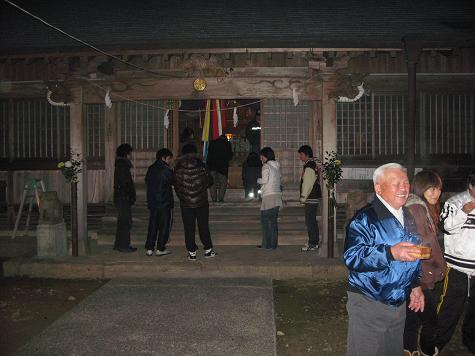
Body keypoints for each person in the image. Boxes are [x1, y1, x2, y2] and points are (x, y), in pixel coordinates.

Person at [343, 163, 425, 356]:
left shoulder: (407, 215)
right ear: (378, 188)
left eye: (405, 182)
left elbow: (410, 254)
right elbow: (352, 257)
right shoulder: (365, 219)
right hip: (369, 301)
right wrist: (389, 253)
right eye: (396, 183)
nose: (403, 188)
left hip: (398, 301)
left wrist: (414, 284)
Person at [403, 170, 446, 356]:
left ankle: (409, 349)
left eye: (438, 189)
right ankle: (428, 350)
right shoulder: (418, 209)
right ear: (421, 188)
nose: (436, 193)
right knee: (431, 321)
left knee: (412, 316)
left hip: (415, 274)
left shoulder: (421, 207)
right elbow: (419, 245)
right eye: (431, 188)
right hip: (419, 275)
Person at [435, 171, 475, 354]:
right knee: (449, 310)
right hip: (457, 268)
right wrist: (464, 211)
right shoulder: (455, 202)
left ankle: (470, 342)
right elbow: (445, 227)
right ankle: (436, 345)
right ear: (470, 186)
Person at [174, 144, 217, 260]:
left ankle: (192, 252)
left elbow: (176, 184)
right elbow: (209, 181)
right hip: (201, 202)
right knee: (203, 226)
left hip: (186, 203)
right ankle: (208, 250)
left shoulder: (178, 167)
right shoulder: (202, 165)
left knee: (188, 227)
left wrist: (182, 196)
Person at [144, 148, 174, 257]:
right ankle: (160, 248)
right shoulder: (166, 170)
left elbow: (146, 181)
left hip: (153, 202)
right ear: (164, 157)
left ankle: (149, 248)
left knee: (153, 225)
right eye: (169, 158)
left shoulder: (151, 168)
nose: (170, 161)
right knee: (164, 226)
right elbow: (173, 181)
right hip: (165, 202)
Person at [257, 147, 282, 249]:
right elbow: (280, 179)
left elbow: (264, 180)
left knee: (265, 223)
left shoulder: (266, 166)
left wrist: (258, 180)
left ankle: (266, 245)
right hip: (277, 196)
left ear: (265, 156)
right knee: (273, 223)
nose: (260, 158)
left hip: (268, 197)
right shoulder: (276, 167)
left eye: (261, 156)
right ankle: (273, 245)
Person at [298, 145, 322, 251]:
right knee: (311, 220)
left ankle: (313, 243)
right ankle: (314, 242)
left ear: (307, 155)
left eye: (301, 154)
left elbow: (307, 183)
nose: (300, 157)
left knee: (310, 221)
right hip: (314, 196)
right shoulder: (312, 164)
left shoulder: (309, 166)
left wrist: (303, 197)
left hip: (311, 197)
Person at [113, 143, 137, 253]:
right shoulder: (123, 165)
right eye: (130, 153)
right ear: (126, 153)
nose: (131, 155)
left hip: (121, 196)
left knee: (122, 221)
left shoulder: (121, 164)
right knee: (125, 221)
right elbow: (125, 183)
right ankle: (123, 245)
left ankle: (119, 244)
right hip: (123, 196)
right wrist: (130, 195)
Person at [206, 134, 233, 202]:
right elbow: (230, 156)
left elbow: (208, 154)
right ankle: (220, 199)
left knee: (212, 183)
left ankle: (214, 199)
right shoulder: (227, 144)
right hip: (222, 167)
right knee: (223, 183)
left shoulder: (212, 143)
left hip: (212, 166)